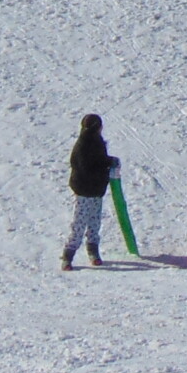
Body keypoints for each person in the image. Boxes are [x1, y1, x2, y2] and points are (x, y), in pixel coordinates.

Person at [63, 113, 117, 270]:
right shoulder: (83, 145)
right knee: (79, 223)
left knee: (94, 221)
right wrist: (106, 164)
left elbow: (100, 160)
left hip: (96, 190)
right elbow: (89, 166)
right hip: (85, 190)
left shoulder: (97, 142)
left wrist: (108, 162)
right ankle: (68, 256)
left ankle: (93, 251)